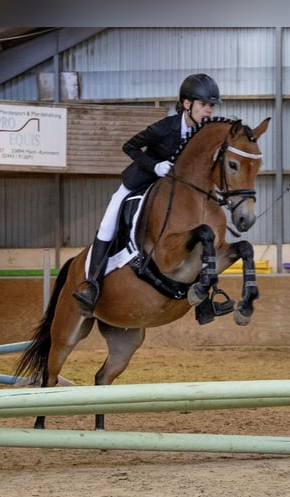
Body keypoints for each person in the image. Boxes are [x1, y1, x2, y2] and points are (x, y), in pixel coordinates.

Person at [73, 73, 222, 317]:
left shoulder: (204, 136)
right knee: (109, 221)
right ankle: (91, 283)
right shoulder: (164, 128)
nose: (208, 110)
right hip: (141, 183)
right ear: (187, 104)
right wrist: (155, 166)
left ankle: (205, 296)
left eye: (211, 105)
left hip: (175, 194)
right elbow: (129, 147)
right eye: (204, 104)